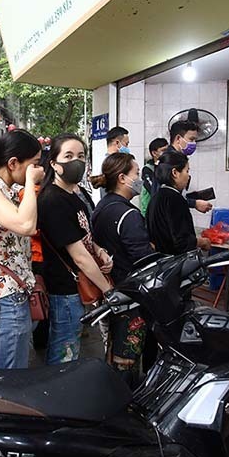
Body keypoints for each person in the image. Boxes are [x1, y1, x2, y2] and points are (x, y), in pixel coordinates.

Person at [38, 134, 114, 365]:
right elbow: (79, 255)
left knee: (72, 346)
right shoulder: (52, 200)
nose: (76, 162)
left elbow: (84, 237)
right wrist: (108, 290)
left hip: (77, 288)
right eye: (68, 156)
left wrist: (99, 250)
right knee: (65, 350)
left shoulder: (75, 196)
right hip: (65, 290)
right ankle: (57, 394)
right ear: (54, 163)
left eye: (81, 156)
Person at [0, 130, 44, 369]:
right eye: (33, 164)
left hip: (12, 296)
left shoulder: (8, 190)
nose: (37, 170)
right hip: (3, 300)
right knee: (9, 378)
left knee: (16, 371)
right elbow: (26, 225)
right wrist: (32, 183)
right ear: (13, 163)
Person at [91, 153, 155, 386]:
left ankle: (111, 395)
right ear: (121, 178)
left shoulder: (102, 206)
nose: (139, 179)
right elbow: (143, 258)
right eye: (136, 174)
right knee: (127, 357)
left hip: (109, 290)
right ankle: (124, 406)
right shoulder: (128, 214)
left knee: (113, 351)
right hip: (130, 294)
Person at [147, 150, 211, 255]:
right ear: (175, 173)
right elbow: (182, 242)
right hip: (175, 262)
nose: (188, 176)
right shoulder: (176, 199)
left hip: (161, 259)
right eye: (187, 171)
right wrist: (203, 242)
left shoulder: (157, 197)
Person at [155, 120, 213, 214]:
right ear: (178, 138)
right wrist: (194, 203)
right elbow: (164, 196)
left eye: (195, 140)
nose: (194, 144)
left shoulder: (180, 158)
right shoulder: (168, 160)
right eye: (191, 139)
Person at [140, 137, 168, 216]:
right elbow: (154, 191)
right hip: (149, 213)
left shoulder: (166, 168)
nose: (167, 153)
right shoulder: (147, 169)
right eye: (163, 150)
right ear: (154, 153)